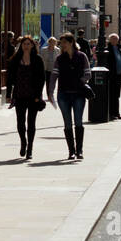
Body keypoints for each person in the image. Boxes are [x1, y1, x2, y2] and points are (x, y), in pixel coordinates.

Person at [6, 35, 46, 160]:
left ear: (33, 45)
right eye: (24, 44)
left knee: (31, 123)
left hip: (33, 96)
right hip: (19, 95)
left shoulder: (38, 59)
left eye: (29, 44)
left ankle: (30, 149)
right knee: (20, 122)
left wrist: (38, 94)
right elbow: (10, 78)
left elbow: (42, 78)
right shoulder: (15, 59)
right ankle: (23, 142)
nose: (26, 46)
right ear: (21, 46)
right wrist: (8, 94)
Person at [53, 32, 92, 160]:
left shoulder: (82, 56)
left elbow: (88, 73)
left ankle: (79, 150)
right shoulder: (59, 59)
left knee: (78, 122)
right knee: (67, 124)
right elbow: (54, 76)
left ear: (71, 43)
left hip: (78, 94)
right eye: (61, 42)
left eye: (64, 42)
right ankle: (71, 151)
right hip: (63, 94)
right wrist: (50, 91)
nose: (62, 45)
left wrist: (80, 81)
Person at [106, 33, 121, 120]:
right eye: (113, 39)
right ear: (110, 40)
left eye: (116, 39)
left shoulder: (119, 48)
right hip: (112, 75)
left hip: (119, 75)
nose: (115, 40)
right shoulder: (107, 49)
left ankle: (117, 113)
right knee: (112, 95)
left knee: (117, 95)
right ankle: (111, 113)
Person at [40, 36, 59, 101]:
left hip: (54, 69)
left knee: (52, 83)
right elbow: (41, 59)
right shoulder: (43, 50)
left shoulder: (58, 50)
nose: (53, 43)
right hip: (46, 68)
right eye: (51, 42)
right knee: (47, 82)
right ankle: (48, 95)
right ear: (49, 42)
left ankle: (51, 94)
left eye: (54, 42)